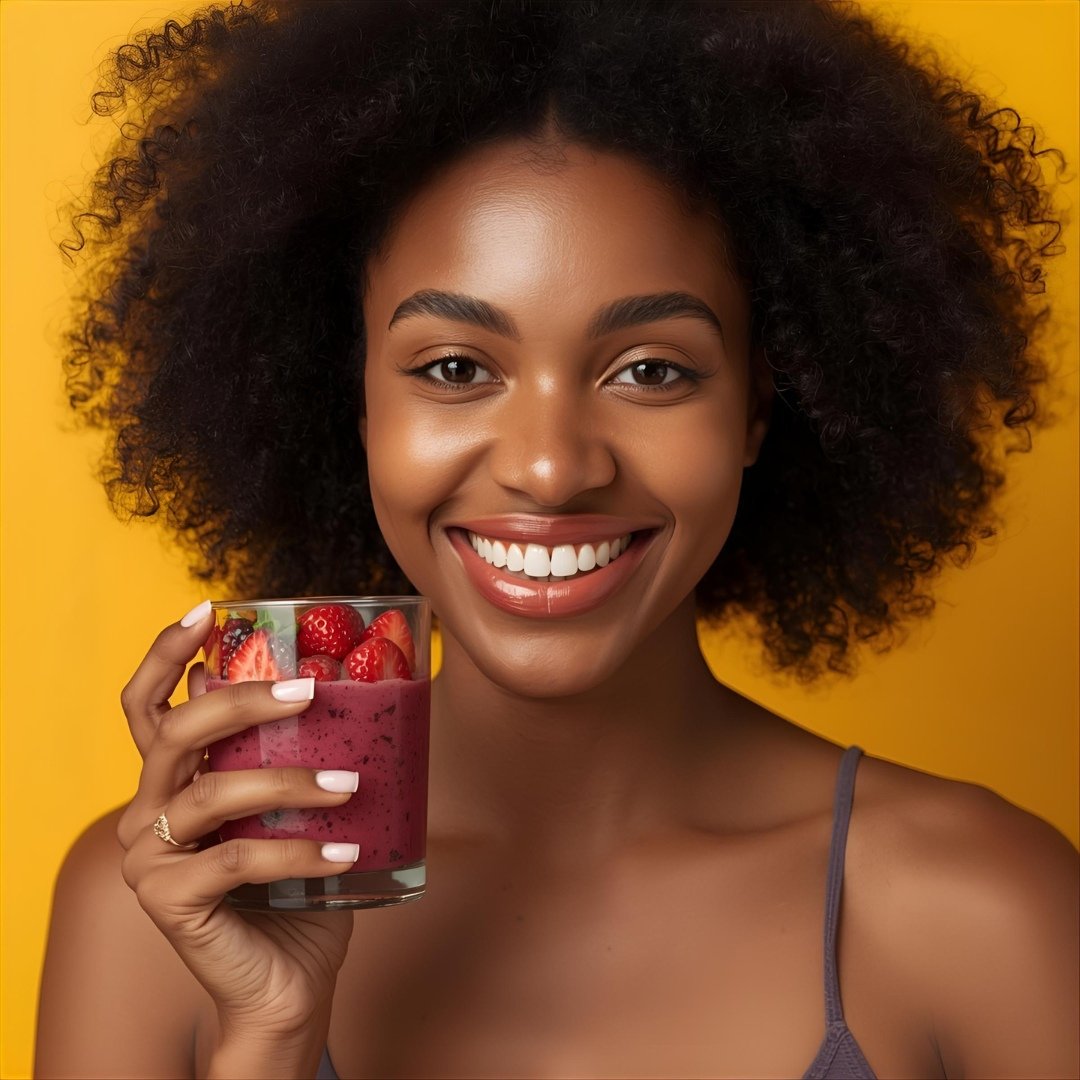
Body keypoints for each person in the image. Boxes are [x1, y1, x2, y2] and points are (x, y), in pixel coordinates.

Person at [35, 1, 1078, 1077]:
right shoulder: (161, 916)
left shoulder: (983, 914)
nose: (550, 466)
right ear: (348, 403)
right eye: (453, 369)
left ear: (762, 410)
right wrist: (267, 1036)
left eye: (652, 371)